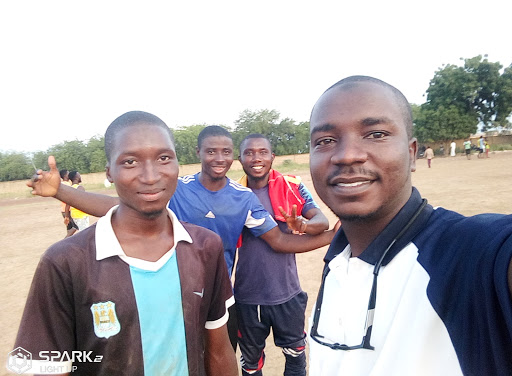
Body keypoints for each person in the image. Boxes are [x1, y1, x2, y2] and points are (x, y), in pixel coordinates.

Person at [27, 125, 335, 352]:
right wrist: (60, 191)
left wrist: (333, 235)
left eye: (226, 152)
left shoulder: (243, 199)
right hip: (172, 294)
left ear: (233, 158)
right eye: (211, 151)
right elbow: (121, 207)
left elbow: (279, 241)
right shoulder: (178, 188)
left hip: (220, 298)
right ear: (198, 153)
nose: (219, 157)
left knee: (221, 358)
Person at [307, 75, 512, 375]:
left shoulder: (470, 255)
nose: (347, 154)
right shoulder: (338, 260)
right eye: (325, 141)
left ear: (412, 153)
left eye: (376, 134)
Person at [14, 111, 238, 376]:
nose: (151, 175)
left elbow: (219, 350)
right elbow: (49, 367)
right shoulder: (65, 261)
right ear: (110, 172)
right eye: (130, 162)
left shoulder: (205, 247)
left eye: (164, 158)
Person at [235, 134, 330, 376]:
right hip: (248, 297)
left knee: (296, 358)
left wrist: (302, 224)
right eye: (249, 153)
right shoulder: (234, 194)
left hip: (288, 293)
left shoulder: (292, 186)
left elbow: (321, 221)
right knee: (251, 364)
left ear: (272, 157)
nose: (256, 158)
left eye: (263, 152)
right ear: (240, 159)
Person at [59, 169, 78, 237]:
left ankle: (68, 241)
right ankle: (65, 241)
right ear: (65, 176)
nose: (69, 174)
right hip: (67, 209)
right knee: (75, 227)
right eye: (68, 173)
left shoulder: (62, 184)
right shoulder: (66, 184)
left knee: (70, 228)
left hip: (64, 209)